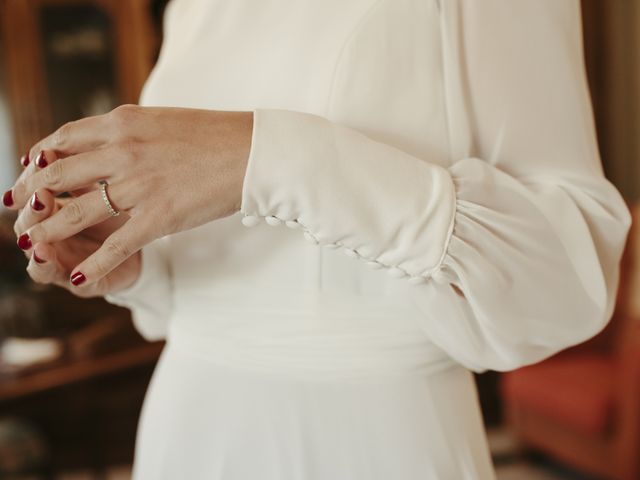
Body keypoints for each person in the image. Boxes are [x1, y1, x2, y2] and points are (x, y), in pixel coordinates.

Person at [2, 0, 631, 478]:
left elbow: (567, 279)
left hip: (373, 437)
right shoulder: (193, 7)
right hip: (190, 422)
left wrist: (267, 155)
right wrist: (136, 267)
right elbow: (206, 273)